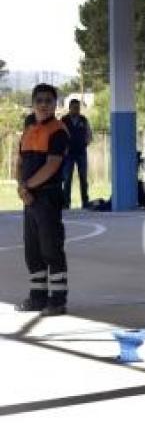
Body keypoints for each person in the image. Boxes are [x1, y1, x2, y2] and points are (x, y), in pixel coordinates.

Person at [14, 83, 70, 316]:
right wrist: (21, 187)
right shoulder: (28, 126)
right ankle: (37, 298)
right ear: (33, 103)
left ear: (55, 104)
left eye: (49, 100)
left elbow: (52, 166)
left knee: (51, 249)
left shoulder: (59, 131)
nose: (44, 104)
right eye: (40, 100)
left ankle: (57, 301)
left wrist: (27, 186)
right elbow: (19, 162)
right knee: (33, 250)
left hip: (48, 195)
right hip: (29, 198)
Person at [60, 98, 92, 208]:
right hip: (68, 155)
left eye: (78, 108)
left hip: (81, 153)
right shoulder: (63, 120)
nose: (76, 110)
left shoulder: (84, 120)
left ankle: (85, 201)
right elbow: (59, 136)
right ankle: (65, 202)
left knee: (83, 178)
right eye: (74, 108)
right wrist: (64, 148)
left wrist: (85, 143)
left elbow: (89, 134)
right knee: (67, 178)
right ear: (69, 108)